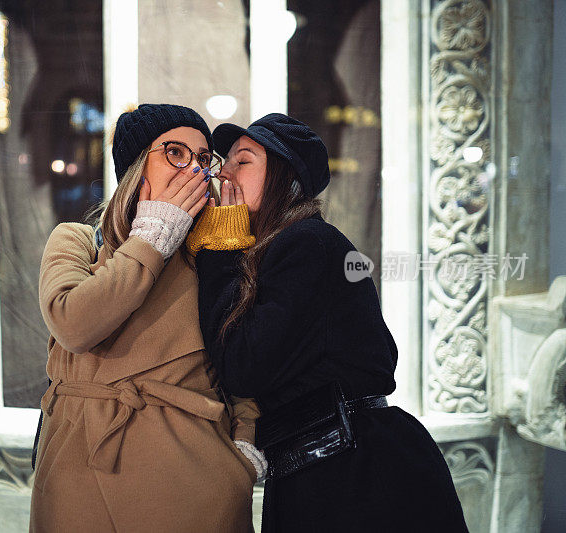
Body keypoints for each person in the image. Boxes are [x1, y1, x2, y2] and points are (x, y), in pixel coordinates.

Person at [187, 113, 469, 532]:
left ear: (285, 177)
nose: (223, 173)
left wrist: (219, 251)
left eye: (242, 161)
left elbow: (242, 366)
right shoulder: (291, 247)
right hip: (332, 462)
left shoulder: (306, 244)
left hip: (355, 474)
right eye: (224, 161)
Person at [30, 103, 265, 533]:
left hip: (193, 485)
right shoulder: (78, 240)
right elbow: (73, 325)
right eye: (175, 152)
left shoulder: (213, 256)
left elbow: (242, 359)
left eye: (202, 159)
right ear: (137, 166)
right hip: (75, 472)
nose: (192, 169)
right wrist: (153, 236)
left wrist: (243, 454)